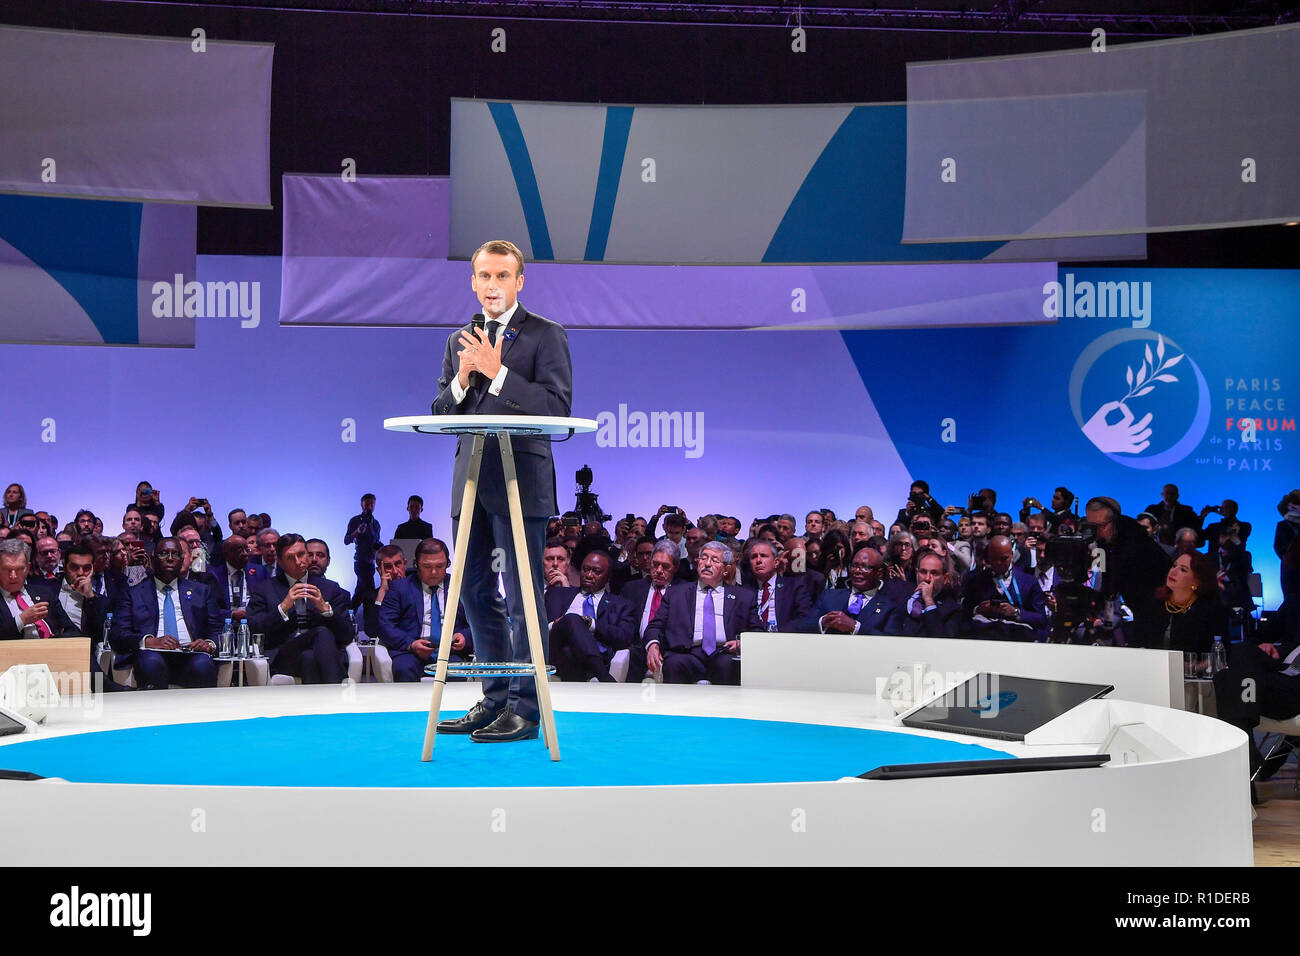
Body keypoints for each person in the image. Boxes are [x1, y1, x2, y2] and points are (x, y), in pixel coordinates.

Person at [431, 239, 573, 744]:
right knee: (470, 591)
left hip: (521, 482)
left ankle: (525, 707)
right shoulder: (458, 341)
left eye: (502, 276)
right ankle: (493, 698)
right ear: (472, 281)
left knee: (521, 598)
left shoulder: (544, 335)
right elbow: (442, 415)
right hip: (470, 482)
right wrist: (463, 380)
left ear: (519, 282)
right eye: (484, 277)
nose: (492, 286)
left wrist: (500, 375)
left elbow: (556, 410)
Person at [109, 538, 221, 689]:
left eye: (175, 554)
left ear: (182, 561)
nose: (169, 558)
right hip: (152, 654)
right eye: (163, 554)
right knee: (151, 663)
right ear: (153, 558)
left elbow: (216, 629)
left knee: (203, 664)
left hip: (192, 654)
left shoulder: (201, 591)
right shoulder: (132, 593)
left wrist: (209, 644)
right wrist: (148, 641)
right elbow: (117, 634)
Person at [643, 542, 758, 685]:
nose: (707, 564)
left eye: (714, 560)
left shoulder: (744, 597)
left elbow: (757, 631)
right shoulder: (676, 593)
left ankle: (727, 707)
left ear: (726, 570)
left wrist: (742, 643)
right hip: (686, 653)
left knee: (730, 666)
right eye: (703, 558)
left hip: (725, 653)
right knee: (673, 664)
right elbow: (655, 626)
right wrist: (653, 646)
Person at [247, 534, 353, 684]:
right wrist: (282, 608)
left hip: (323, 655)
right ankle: (338, 696)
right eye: (290, 557)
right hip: (284, 655)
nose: (298, 561)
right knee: (321, 632)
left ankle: (320, 705)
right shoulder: (265, 588)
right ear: (280, 561)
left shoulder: (330, 588)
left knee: (309, 658)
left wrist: (325, 610)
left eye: (302, 554)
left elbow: (347, 635)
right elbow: (255, 629)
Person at [378, 538, 474, 682]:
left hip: (450, 651)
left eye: (440, 566)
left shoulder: (460, 586)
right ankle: (410, 706)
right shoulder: (400, 588)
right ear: (416, 564)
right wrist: (411, 644)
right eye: (427, 567)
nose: (434, 572)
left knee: (456, 672)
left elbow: (478, 622)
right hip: (411, 651)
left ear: (447, 564)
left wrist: (465, 636)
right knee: (404, 669)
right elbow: (385, 625)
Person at [1084, 496, 1171, 648]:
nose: (1096, 533)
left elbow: (1115, 576)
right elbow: (1106, 575)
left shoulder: (1135, 540)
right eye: (1091, 527)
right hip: (1138, 603)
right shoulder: (1104, 541)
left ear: (1114, 522)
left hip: (1157, 605)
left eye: (1101, 526)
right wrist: (1098, 602)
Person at [544, 550, 635, 682]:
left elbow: (625, 637)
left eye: (596, 572)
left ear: (608, 577)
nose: (589, 575)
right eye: (585, 569)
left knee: (569, 652)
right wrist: (557, 624)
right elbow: (536, 628)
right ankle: (604, 677)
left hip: (594, 655)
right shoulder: (557, 594)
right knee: (571, 618)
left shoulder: (621, 604)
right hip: (555, 651)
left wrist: (591, 624)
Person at [796, 542, 898, 635]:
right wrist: (822, 622)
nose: (857, 571)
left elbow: (891, 642)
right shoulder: (829, 596)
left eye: (865, 567)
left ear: (879, 573)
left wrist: (855, 627)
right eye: (854, 566)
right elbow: (802, 627)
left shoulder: (889, 607)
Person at [960, 535, 1049, 641]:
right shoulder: (975, 581)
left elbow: (1041, 619)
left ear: (1012, 555)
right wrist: (978, 610)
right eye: (993, 559)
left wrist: (1016, 612)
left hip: (1019, 638)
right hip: (983, 637)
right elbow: (963, 613)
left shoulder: (1029, 581)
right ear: (987, 557)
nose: (998, 563)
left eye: (1003, 559)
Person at [0, 539, 78, 639]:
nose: (13, 576)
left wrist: (54, 642)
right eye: (7, 569)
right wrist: (21, 620)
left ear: (27, 568)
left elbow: (72, 631)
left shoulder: (45, 593)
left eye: (19, 569)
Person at [888, 548, 964, 638]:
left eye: (934, 573)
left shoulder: (952, 610)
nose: (927, 578)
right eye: (923, 572)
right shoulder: (899, 594)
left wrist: (929, 601)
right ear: (917, 573)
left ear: (945, 578)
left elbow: (942, 643)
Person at [746, 538, 812, 631]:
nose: (758, 560)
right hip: (752, 639)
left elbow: (804, 617)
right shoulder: (744, 590)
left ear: (776, 562)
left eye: (764, 556)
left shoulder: (794, 586)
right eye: (754, 557)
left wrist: (778, 632)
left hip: (786, 639)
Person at [208, 535, 270, 623]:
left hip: (254, 622)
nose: (245, 553)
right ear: (226, 553)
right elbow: (211, 608)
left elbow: (267, 602)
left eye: (247, 549)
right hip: (225, 624)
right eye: (240, 550)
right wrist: (232, 614)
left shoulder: (260, 571)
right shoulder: (214, 575)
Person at [344, 494, 381, 591]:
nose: (369, 507)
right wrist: (357, 532)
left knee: (360, 592)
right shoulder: (355, 520)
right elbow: (346, 540)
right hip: (360, 562)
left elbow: (376, 543)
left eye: (372, 504)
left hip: (371, 563)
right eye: (367, 504)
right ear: (361, 504)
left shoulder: (376, 524)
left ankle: (350, 605)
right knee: (369, 592)